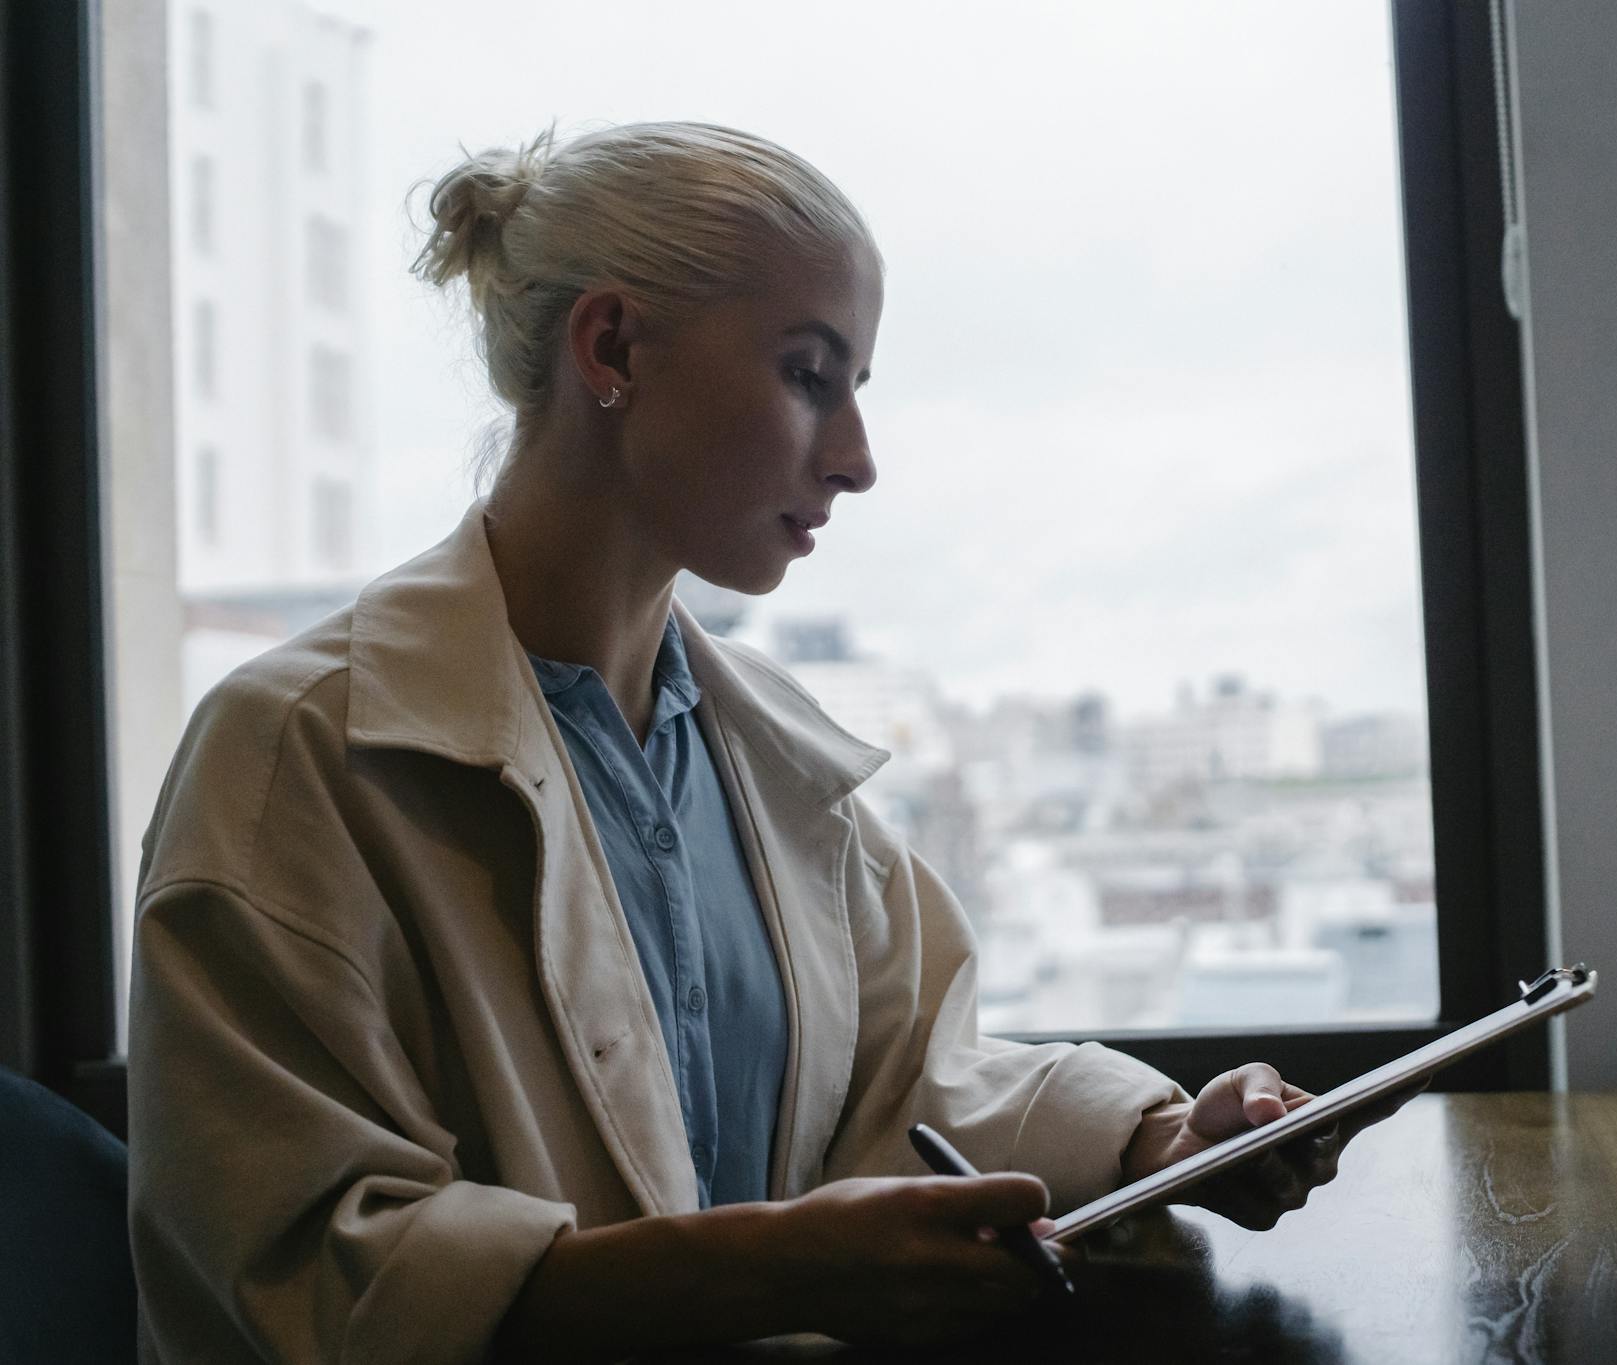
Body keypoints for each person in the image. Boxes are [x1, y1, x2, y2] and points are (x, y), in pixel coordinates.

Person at [126, 122, 1413, 1365]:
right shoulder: (295, 752)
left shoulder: (768, 759)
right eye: (809, 375)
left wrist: (1162, 1140)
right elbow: (301, 1268)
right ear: (611, 343)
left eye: (855, 388)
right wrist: (771, 1271)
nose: (854, 460)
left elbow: (904, 1084)